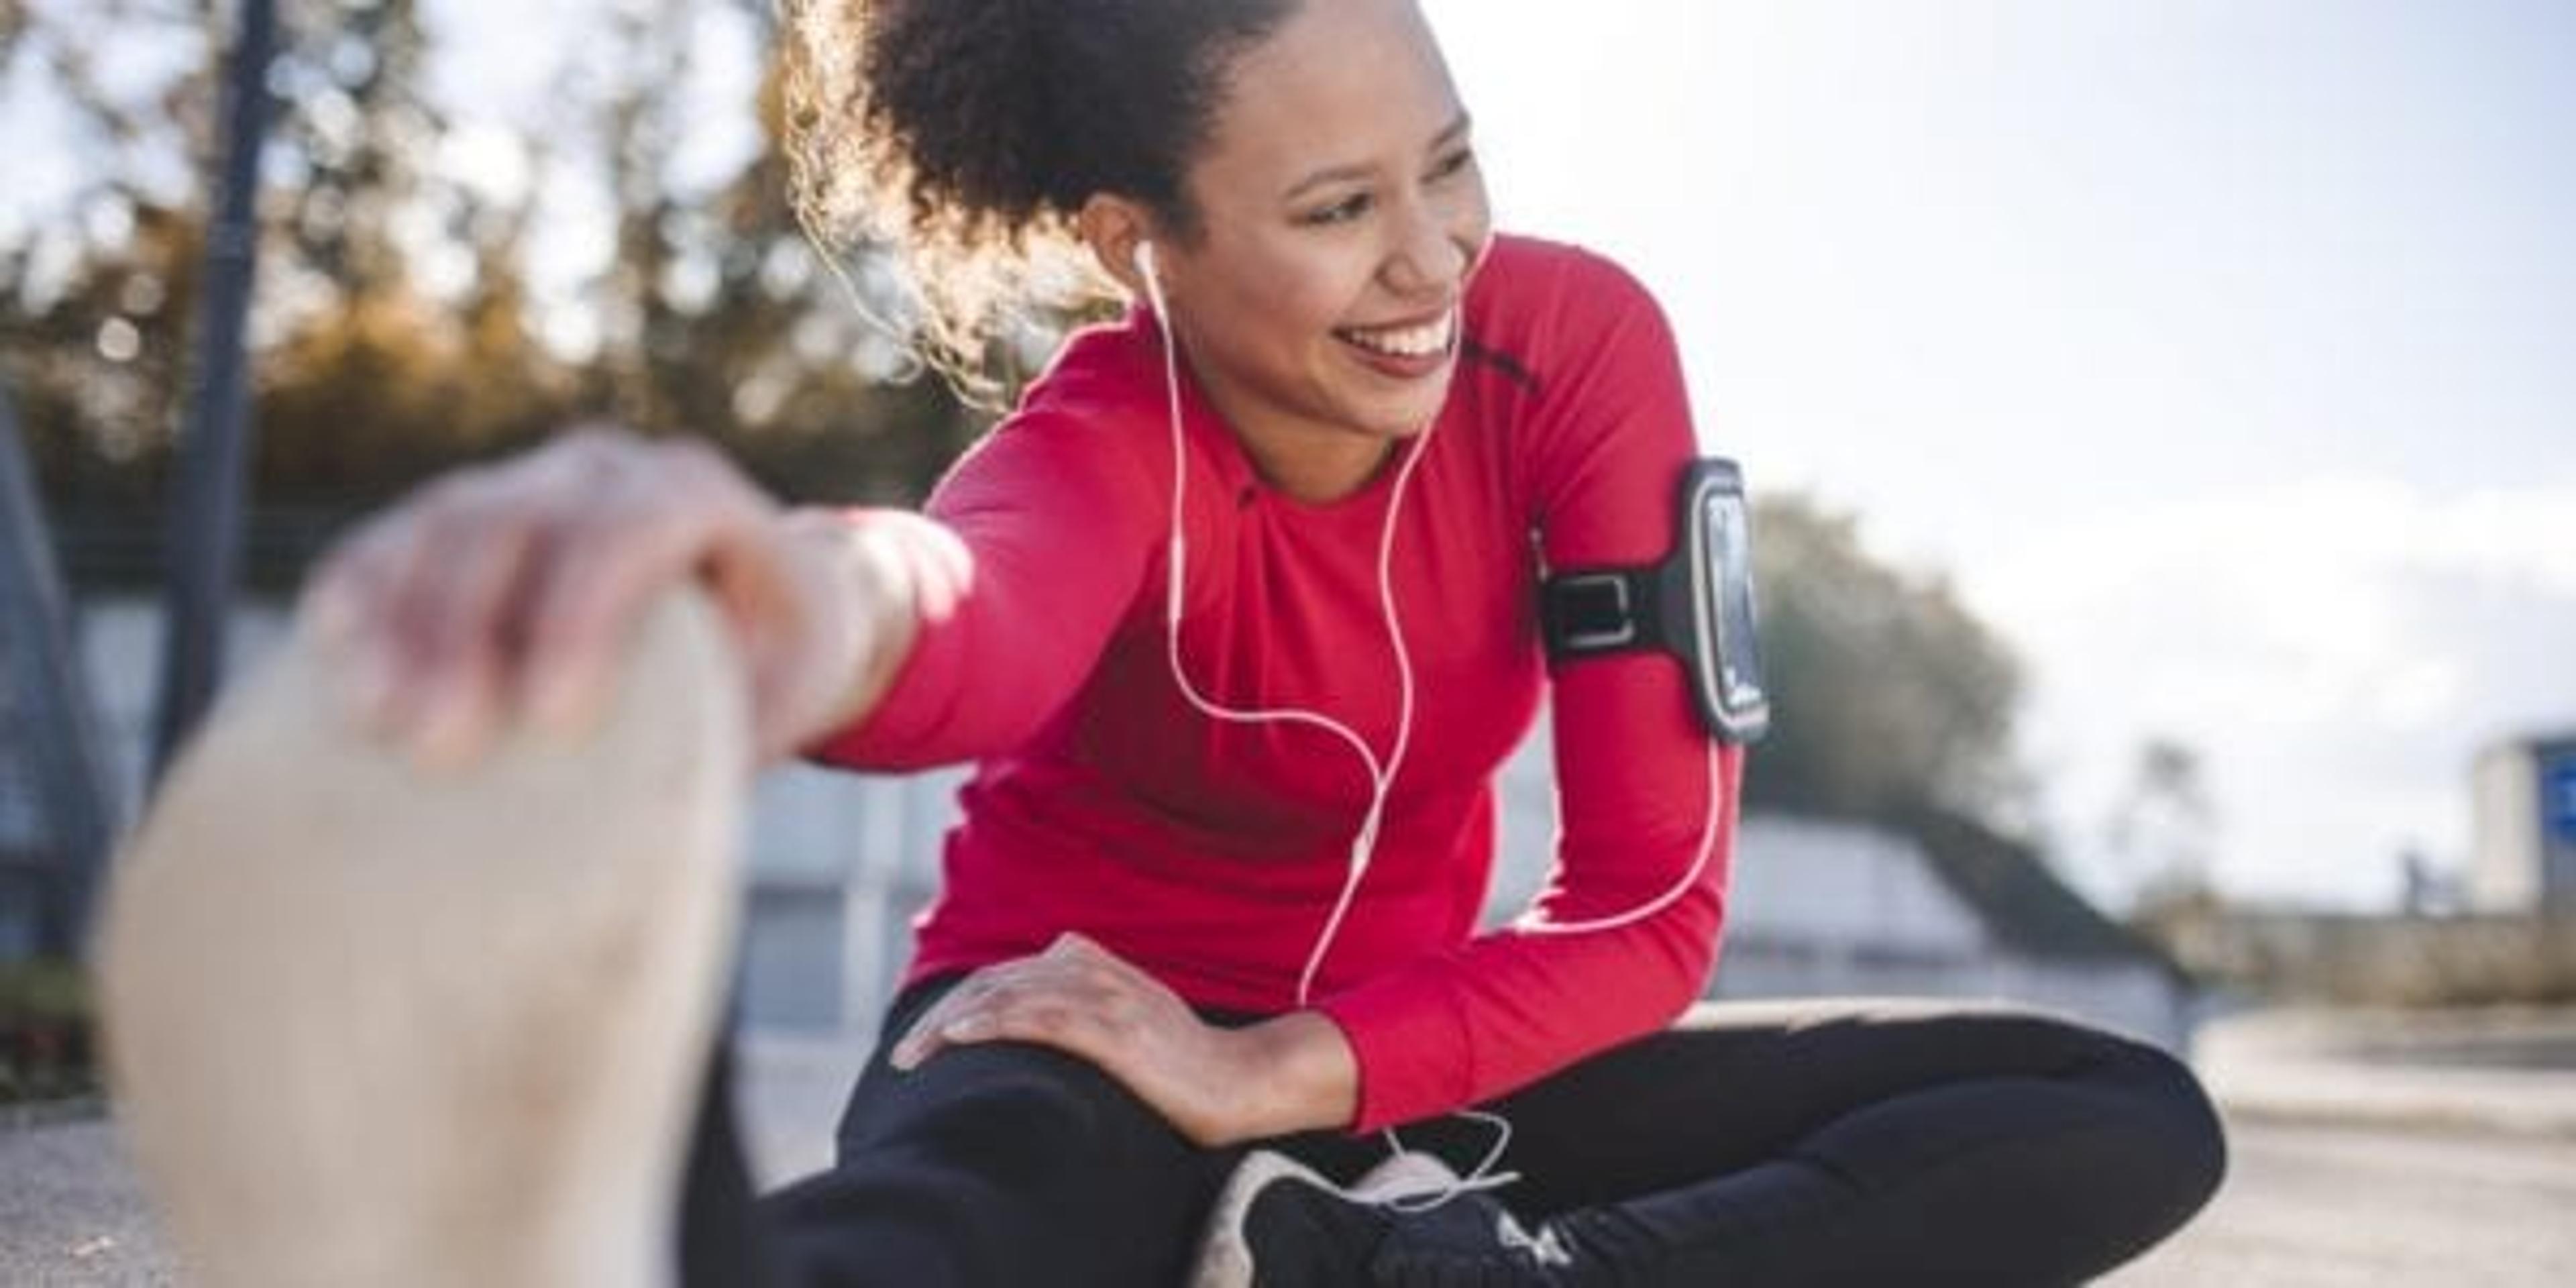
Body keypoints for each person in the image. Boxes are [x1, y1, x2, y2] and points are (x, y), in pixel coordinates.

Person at [115, 1, 2227, 1284]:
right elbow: (964, 608)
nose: (1432, 260)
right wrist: (778, 590)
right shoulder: (1107, 435)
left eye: (1452, 167)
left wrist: (1284, 1078)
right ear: (1144, 246)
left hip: (1403, 1090)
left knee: (2107, 1112)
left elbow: (1647, 906)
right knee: (954, 1238)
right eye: (1336, 212)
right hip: (1071, 1034)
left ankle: (1455, 1287)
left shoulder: (1574, 349)